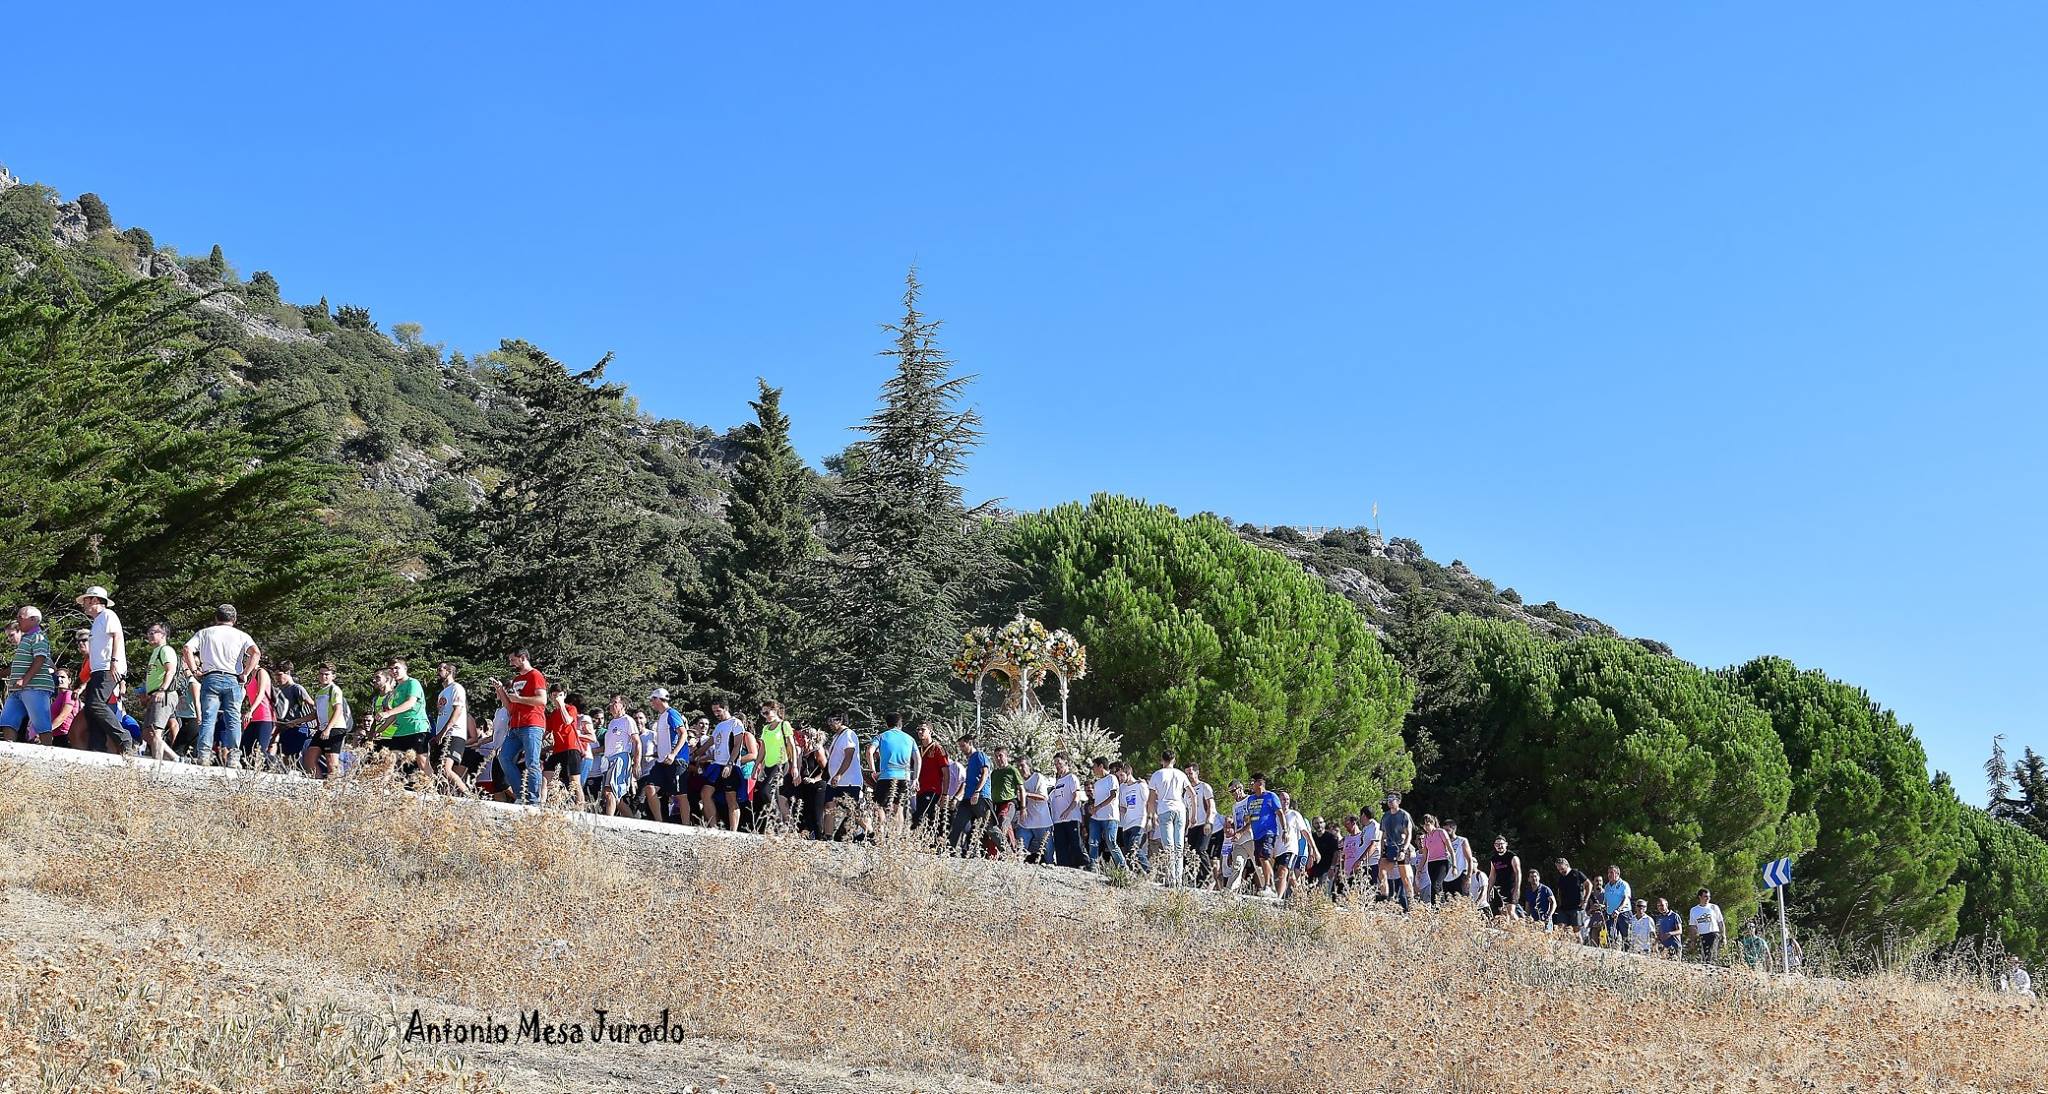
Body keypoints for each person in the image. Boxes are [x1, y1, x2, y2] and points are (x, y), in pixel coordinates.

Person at [182, 603, 260, 767]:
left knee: (209, 718)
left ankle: (203, 755)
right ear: (234, 619)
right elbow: (256, 653)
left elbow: (187, 648)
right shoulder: (241, 636)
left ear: (216, 618)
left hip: (211, 677)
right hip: (233, 679)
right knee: (233, 719)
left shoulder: (205, 633)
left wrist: (195, 670)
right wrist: (245, 673)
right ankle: (233, 757)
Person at [74, 586, 131, 755]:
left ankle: (123, 737)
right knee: (92, 708)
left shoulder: (108, 615)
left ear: (95, 600)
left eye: (86, 600)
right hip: (99, 670)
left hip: (108, 668)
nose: (84, 604)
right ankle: (97, 746)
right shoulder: (98, 620)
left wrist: (114, 661)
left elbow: (117, 637)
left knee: (96, 704)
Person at [494, 649, 548, 806]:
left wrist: (519, 698)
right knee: (503, 757)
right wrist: (501, 691)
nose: (511, 663)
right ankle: (521, 795)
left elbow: (542, 700)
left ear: (523, 658)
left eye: (513, 660)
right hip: (515, 726)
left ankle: (533, 800)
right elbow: (511, 707)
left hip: (532, 724)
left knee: (532, 762)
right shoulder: (517, 679)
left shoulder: (535, 675)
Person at [2, 606, 56, 744]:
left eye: (21, 616)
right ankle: (10, 754)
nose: (18, 619)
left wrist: (24, 679)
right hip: (18, 690)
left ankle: (48, 753)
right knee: (7, 721)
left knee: (41, 723)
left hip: (34, 687)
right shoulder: (26, 639)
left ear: (33, 619)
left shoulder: (38, 637)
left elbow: (40, 659)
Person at [372, 659, 433, 776]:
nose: (394, 671)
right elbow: (395, 715)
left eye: (396, 668)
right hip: (401, 731)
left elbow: (410, 703)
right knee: (390, 760)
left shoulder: (412, 683)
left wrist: (387, 713)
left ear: (405, 669)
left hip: (416, 728)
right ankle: (380, 789)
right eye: (391, 669)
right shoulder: (397, 690)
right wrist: (379, 730)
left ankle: (434, 789)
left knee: (422, 761)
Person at [1148, 751, 1193, 886]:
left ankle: (1171, 878)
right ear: (1174, 760)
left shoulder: (1157, 775)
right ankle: (1178, 879)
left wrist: (1152, 815)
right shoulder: (1181, 774)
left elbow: (1151, 800)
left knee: (1168, 846)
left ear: (1162, 760)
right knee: (1179, 845)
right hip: (1180, 809)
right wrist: (1193, 815)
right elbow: (1193, 794)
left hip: (1165, 809)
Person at [869, 713, 918, 836]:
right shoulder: (910, 738)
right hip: (904, 777)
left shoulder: (881, 736)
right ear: (901, 724)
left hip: (886, 776)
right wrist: (916, 777)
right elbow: (918, 758)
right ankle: (896, 837)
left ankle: (881, 833)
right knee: (899, 808)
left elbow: (869, 751)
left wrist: (873, 771)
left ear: (887, 724)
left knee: (878, 805)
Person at [641, 689, 685, 823]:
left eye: (652, 699)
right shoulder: (661, 716)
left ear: (658, 699)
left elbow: (683, 733)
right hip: (661, 761)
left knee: (680, 795)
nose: (651, 702)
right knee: (650, 788)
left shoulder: (671, 713)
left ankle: (687, 825)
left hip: (675, 760)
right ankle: (659, 822)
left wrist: (673, 753)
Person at [824, 712, 867, 841]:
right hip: (834, 780)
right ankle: (828, 836)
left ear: (841, 720)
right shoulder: (837, 736)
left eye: (832, 720)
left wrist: (839, 774)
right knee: (829, 805)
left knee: (852, 810)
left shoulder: (848, 734)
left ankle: (870, 831)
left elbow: (849, 756)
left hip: (848, 780)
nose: (830, 724)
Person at [139, 621, 179, 759]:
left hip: (164, 694)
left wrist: (162, 689)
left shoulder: (165, 650)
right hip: (155, 695)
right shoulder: (156, 652)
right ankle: (174, 757)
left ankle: (157, 764)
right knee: (147, 733)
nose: (149, 635)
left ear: (163, 635)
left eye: (153, 632)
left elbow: (170, 670)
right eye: (149, 633)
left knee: (156, 732)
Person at [597, 696, 641, 817]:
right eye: (610, 703)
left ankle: (608, 821)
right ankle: (631, 821)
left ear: (623, 705)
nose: (611, 705)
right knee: (616, 797)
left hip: (620, 758)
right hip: (608, 759)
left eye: (615, 702)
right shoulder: (611, 723)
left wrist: (636, 763)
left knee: (610, 791)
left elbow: (637, 742)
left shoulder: (628, 720)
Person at [756, 700, 798, 828]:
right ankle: (786, 826)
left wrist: (794, 765)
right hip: (768, 765)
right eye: (763, 713)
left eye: (767, 712)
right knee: (772, 795)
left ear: (775, 710)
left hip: (781, 763)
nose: (765, 715)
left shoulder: (784, 724)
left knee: (766, 792)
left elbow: (791, 746)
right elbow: (763, 749)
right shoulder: (765, 728)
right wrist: (758, 766)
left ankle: (779, 823)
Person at [305, 664, 350, 777]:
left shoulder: (334, 690)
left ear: (333, 676)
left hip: (335, 728)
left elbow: (338, 710)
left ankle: (336, 788)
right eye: (321, 674)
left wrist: (328, 729)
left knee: (332, 762)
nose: (323, 676)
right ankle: (319, 784)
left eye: (326, 674)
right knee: (309, 758)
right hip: (322, 729)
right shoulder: (319, 692)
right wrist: (297, 721)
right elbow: (316, 714)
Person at [270, 662, 317, 770]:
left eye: (279, 675)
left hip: (298, 727)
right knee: (282, 752)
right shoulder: (279, 689)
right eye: (275, 675)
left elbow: (313, 706)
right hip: (283, 726)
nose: (277, 678)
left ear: (288, 673)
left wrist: (313, 723)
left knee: (294, 754)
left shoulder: (297, 688)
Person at [951, 734, 992, 857]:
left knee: (989, 827)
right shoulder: (970, 760)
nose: (962, 749)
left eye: (963, 746)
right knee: (958, 823)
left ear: (970, 743)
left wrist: (977, 791)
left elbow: (985, 773)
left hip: (979, 797)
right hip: (967, 798)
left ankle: (1007, 851)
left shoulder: (979, 755)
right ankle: (949, 850)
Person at [1085, 756, 1124, 870]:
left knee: (1111, 841)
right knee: (1093, 841)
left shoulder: (1112, 778)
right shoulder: (1097, 783)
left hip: (1110, 816)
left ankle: (1122, 865)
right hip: (1096, 817)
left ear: (1101, 766)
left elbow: (1113, 795)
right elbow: (1097, 799)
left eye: (1094, 767)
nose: (1093, 769)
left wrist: (1098, 807)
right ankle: (1093, 864)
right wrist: (1092, 807)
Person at [1377, 792, 1414, 911]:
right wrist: (1381, 850)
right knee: (1381, 872)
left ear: (1398, 801)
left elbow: (1408, 834)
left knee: (1405, 878)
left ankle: (1411, 905)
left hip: (1401, 848)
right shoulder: (1385, 816)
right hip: (1389, 848)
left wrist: (1404, 849)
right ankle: (1385, 900)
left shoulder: (1404, 815)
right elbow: (1383, 835)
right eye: (1388, 799)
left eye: (1392, 799)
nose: (1390, 801)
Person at [911, 721, 950, 834]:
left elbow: (946, 773)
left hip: (933, 790)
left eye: (923, 729)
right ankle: (932, 844)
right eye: (918, 729)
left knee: (919, 817)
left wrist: (945, 794)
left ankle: (913, 841)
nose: (919, 732)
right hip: (919, 790)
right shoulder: (917, 750)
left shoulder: (938, 749)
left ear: (930, 731)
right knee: (930, 819)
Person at [239, 657, 277, 768]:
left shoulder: (261, 672)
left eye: (248, 658)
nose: (245, 661)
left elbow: (261, 693)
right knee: (244, 749)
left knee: (259, 751)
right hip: (253, 718)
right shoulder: (249, 675)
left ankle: (276, 764)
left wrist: (250, 710)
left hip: (265, 716)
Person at [1048, 753, 1084, 868]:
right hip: (1058, 820)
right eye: (1055, 764)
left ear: (1065, 762)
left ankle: (1082, 865)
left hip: (1071, 818)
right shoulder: (1057, 781)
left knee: (1075, 844)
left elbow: (1076, 797)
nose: (1057, 766)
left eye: (1059, 762)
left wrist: (1068, 810)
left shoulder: (1071, 778)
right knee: (1060, 846)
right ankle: (1063, 867)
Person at [986, 746, 1022, 855]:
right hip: (996, 804)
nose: (998, 759)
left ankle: (1011, 852)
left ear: (1006, 756)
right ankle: (994, 856)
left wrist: (1023, 807)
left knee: (1003, 821)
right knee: (993, 828)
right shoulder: (994, 773)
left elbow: (1021, 788)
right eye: (996, 757)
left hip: (1009, 802)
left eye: (1000, 756)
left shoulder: (1011, 770)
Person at [1116, 763, 1151, 874]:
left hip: (1139, 821)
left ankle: (1148, 870)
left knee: (1134, 847)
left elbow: (1148, 802)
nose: (1120, 779)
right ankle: (1137, 874)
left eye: (1122, 775)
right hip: (1127, 823)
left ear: (1129, 773)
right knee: (1128, 853)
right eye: (1118, 776)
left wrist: (1150, 819)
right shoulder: (1122, 787)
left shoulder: (1141, 785)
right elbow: (1123, 806)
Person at [1017, 755, 1052, 863]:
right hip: (1025, 822)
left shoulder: (1038, 777)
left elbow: (1043, 797)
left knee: (1048, 851)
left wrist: (1026, 794)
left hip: (1041, 822)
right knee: (1020, 848)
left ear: (1029, 766)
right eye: (1018, 766)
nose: (1020, 769)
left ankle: (1052, 868)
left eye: (1022, 766)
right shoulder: (1019, 781)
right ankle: (1017, 871)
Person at [1186, 762, 1216, 885]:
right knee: (1192, 852)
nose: (1189, 776)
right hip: (1192, 826)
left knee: (1201, 849)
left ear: (1197, 773)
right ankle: (1198, 880)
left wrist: (1208, 822)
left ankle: (1209, 877)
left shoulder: (1205, 787)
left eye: (1191, 773)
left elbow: (1211, 806)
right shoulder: (1186, 791)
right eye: (1187, 773)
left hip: (1204, 823)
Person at [1552, 858, 1593, 942]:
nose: (1561, 871)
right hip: (1564, 908)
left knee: (1576, 932)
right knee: (1560, 930)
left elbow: (1589, 885)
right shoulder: (1561, 878)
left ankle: (1580, 951)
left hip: (1576, 907)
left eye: (1562, 869)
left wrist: (1585, 900)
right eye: (1559, 869)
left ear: (1567, 865)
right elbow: (1559, 891)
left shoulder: (1577, 874)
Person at [1487, 837, 1523, 918]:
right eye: (1497, 844)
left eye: (1501, 844)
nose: (1499, 846)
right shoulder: (1494, 859)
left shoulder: (1512, 857)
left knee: (1511, 912)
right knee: (1503, 912)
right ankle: (1510, 929)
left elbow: (1518, 874)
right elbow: (1492, 875)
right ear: (1494, 846)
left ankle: (1520, 928)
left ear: (1506, 844)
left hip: (1511, 887)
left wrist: (1517, 889)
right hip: (1500, 888)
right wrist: (1488, 890)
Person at [1420, 816, 1452, 905]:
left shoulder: (1440, 832)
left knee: (1436, 884)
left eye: (1427, 824)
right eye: (1424, 825)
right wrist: (1419, 869)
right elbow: (1425, 855)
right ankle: (1441, 907)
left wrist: (1454, 865)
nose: (1426, 827)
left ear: (1432, 823)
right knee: (1436, 887)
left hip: (1442, 861)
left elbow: (1450, 848)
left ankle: (1437, 907)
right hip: (1431, 863)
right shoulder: (1426, 837)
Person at [1442, 820, 1476, 903]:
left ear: (1453, 829)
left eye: (1447, 830)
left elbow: (1469, 859)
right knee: (1448, 904)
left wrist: (1468, 877)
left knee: (1460, 902)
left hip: (1459, 874)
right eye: (1444, 831)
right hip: (1445, 877)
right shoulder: (1443, 842)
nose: (1445, 833)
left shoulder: (1462, 841)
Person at [1689, 888, 1727, 963]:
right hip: (1702, 935)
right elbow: (1693, 926)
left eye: (1708, 897)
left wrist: (1723, 935)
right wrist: (1692, 940)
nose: (1707, 898)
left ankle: (1712, 966)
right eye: (1705, 896)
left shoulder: (1714, 907)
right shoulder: (1694, 910)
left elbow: (1720, 922)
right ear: (1700, 897)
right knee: (1704, 954)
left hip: (1713, 933)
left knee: (1711, 953)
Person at [1602, 866, 1632, 945]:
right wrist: (1602, 907)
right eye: (1608, 873)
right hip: (1611, 915)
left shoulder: (1623, 884)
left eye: (1612, 872)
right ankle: (1611, 955)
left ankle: (1626, 955)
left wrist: (1618, 910)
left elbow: (1626, 899)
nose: (1609, 875)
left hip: (1623, 914)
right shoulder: (1607, 886)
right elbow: (1606, 901)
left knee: (1626, 937)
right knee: (1610, 936)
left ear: (1617, 874)